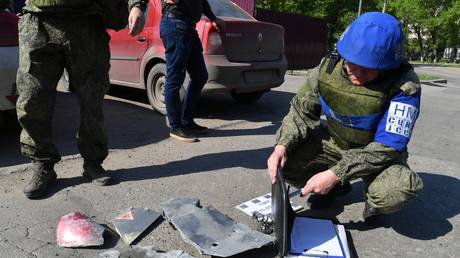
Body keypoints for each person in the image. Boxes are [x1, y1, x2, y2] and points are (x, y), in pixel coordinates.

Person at [267, 12, 423, 222]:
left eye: (368, 70)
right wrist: (281, 146)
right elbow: (301, 111)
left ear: (387, 66)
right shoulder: (328, 67)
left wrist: (336, 173)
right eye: (352, 65)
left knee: (394, 192)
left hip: (378, 156)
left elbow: (387, 147)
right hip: (336, 144)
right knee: (288, 159)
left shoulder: (404, 85)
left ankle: (372, 198)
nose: (357, 74)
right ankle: (333, 190)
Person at [16, 0, 148, 199]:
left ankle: (93, 162)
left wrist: (136, 5)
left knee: (92, 99)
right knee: (32, 99)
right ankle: (42, 163)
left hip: (86, 21)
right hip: (39, 20)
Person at [160, 0, 225, 143]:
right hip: (174, 22)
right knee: (175, 78)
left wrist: (213, 18)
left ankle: (187, 121)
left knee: (200, 75)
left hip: (188, 26)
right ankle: (175, 126)